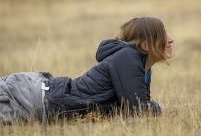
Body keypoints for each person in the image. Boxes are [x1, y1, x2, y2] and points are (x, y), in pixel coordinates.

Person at [0, 17, 173, 123]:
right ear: (145, 44)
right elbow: (138, 111)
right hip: (32, 97)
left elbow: (137, 112)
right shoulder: (128, 57)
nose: (170, 40)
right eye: (164, 34)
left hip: (40, 98)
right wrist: (157, 108)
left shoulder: (142, 67)